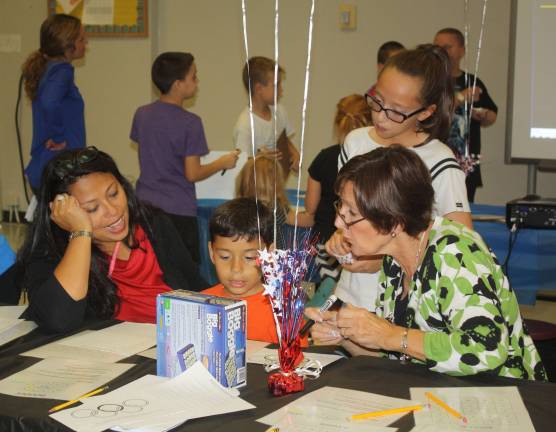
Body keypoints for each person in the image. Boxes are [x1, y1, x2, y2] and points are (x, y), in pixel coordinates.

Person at [307, 146, 546, 380]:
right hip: (438, 394)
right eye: (341, 207)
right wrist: (347, 335)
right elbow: (399, 357)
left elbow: (488, 350)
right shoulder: (393, 261)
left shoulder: (455, 252)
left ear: (394, 223)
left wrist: (390, 334)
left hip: (507, 396)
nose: (338, 222)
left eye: (351, 213)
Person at [331, 44, 472, 311]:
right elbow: (347, 219)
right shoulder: (355, 142)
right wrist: (340, 238)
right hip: (351, 297)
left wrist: (381, 260)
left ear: (426, 112)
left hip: (404, 310)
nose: (380, 115)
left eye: (396, 111)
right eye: (377, 100)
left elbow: (460, 246)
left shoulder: (439, 160)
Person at [18, 147, 208, 333]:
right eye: (92, 208)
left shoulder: (154, 224)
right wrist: (81, 232)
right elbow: (58, 319)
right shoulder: (53, 248)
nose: (113, 211)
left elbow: (197, 289)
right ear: (65, 213)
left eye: (113, 193)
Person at [130, 52, 239, 264]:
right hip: (177, 211)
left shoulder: (142, 114)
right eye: (194, 77)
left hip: (144, 207)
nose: (197, 83)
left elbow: (153, 150)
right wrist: (222, 163)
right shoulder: (190, 122)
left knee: (150, 268)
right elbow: (192, 173)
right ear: (178, 84)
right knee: (182, 277)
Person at [202, 198, 308, 345]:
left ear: (269, 255)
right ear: (211, 252)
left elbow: (298, 363)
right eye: (225, 257)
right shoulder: (199, 304)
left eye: (250, 257)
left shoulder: (282, 312)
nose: (236, 269)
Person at [299, 94, 373, 281]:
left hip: (326, 244)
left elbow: (310, 209)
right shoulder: (378, 162)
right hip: (365, 245)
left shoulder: (324, 158)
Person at [22, 14, 88, 192]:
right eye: (81, 39)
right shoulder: (62, 71)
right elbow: (49, 102)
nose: (86, 43)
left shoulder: (48, 68)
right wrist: (60, 139)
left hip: (47, 164)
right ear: (68, 45)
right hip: (59, 167)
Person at [434, 28, 498, 202]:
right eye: (437, 47)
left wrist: (484, 116)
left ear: (462, 50)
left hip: (466, 164)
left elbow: (492, 115)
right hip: (435, 162)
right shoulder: (431, 80)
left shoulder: (472, 81)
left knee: (465, 212)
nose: (442, 52)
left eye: (448, 47)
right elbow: (435, 110)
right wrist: (461, 97)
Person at [233, 56, 300, 176]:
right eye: (276, 85)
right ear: (258, 89)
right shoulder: (245, 125)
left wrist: (294, 155)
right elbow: (241, 165)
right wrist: (259, 158)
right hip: (254, 188)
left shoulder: (280, 111)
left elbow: (284, 139)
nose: (281, 90)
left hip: (275, 183)